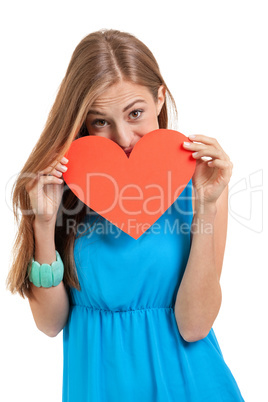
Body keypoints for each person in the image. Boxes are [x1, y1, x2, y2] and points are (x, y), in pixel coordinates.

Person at [6, 29, 244, 401]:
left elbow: (195, 325)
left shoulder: (200, 184)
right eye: (101, 121)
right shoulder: (59, 188)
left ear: (160, 98)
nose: (124, 138)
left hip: (190, 386)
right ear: (82, 121)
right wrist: (42, 223)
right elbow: (49, 324)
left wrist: (205, 208)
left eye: (135, 113)